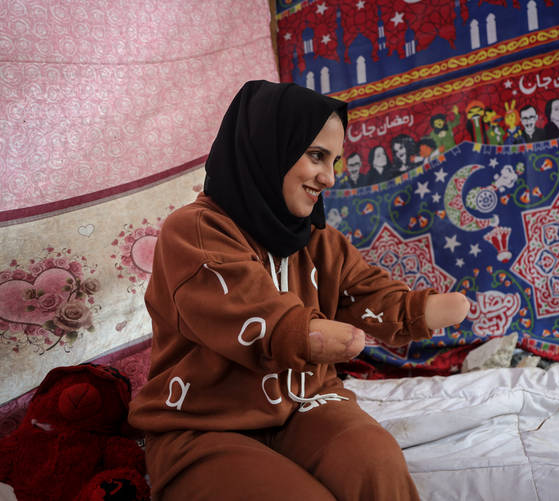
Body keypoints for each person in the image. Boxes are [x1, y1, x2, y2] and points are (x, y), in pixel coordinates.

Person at [128, 80, 470, 501]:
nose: (329, 177)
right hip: (204, 424)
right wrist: (306, 334)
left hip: (306, 402)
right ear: (268, 147)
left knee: (375, 463)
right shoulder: (194, 230)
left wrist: (414, 310)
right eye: (316, 156)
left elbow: (362, 291)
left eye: (335, 161)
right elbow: (245, 307)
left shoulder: (317, 240)